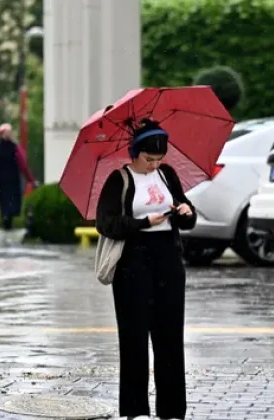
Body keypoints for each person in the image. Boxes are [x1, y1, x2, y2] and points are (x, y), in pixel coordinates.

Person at [95, 119, 196, 420]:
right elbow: (106, 223)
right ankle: (136, 410)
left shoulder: (167, 175)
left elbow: (185, 212)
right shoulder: (119, 179)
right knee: (134, 338)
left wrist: (185, 212)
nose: (154, 165)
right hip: (133, 263)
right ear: (135, 153)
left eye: (159, 159)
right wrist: (142, 223)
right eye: (148, 159)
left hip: (168, 260)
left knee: (170, 338)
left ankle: (172, 411)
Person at [0, 123, 36, 229]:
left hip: (0, 180)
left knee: (3, 201)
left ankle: (5, 218)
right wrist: (30, 179)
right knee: (11, 201)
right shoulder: (14, 148)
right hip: (11, 179)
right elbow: (23, 164)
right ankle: (8, 219)